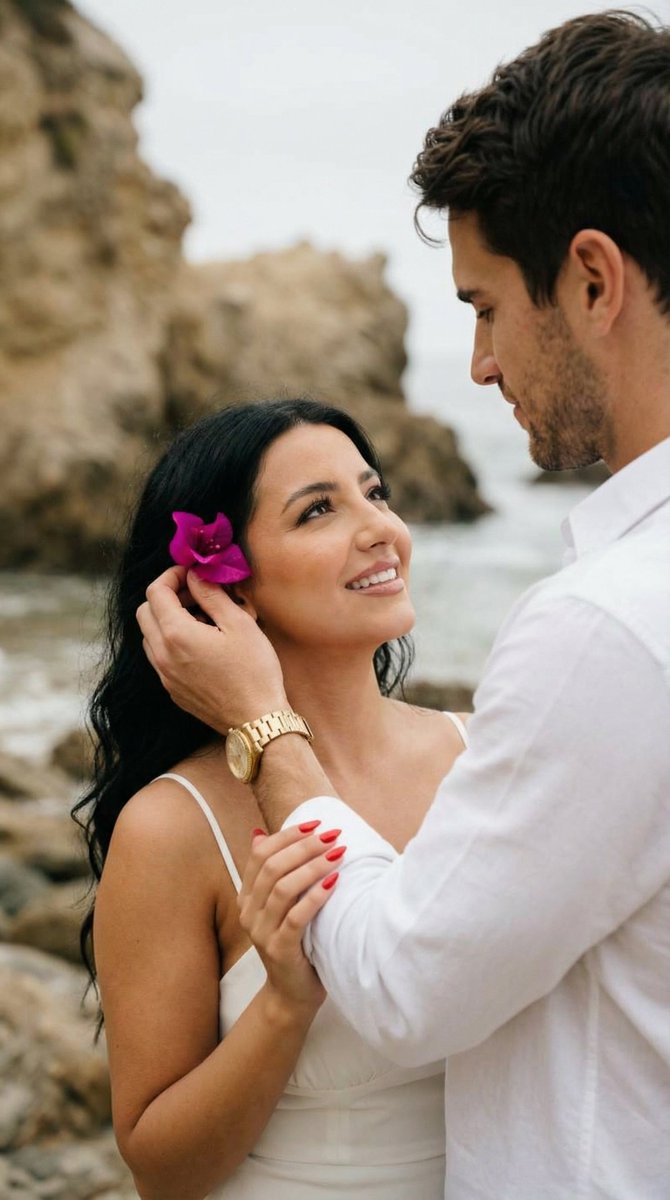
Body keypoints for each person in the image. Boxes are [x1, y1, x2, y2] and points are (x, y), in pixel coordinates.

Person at [137, 11, 670, 1199]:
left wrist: (264, 727)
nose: (479, 364)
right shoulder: (173, 826)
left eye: (483, 306)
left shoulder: (604, 628)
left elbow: (406, 985)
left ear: (591, 280)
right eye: (316, 509)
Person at [73, 397, 471, 1200]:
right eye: (319, 510)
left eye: (375, 492)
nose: (380, 528)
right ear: (228, 588)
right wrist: (286, 1007)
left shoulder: (484, 752)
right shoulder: (171, 826)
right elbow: (161, 1171)